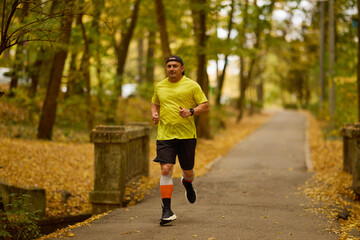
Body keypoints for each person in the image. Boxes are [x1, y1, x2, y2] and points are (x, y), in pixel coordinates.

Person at [151, 55, 210, 225]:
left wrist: (191, 111)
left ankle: (187, 183)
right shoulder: (160, 86)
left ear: (182, 68)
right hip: (165, 135)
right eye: (169, 66)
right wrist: (154, 114)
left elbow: (205, 106)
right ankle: (166, 210)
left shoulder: (192, 85)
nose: (171, 68)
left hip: (186, 135)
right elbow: (154, 103)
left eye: (175, 65)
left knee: (188, 170)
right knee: (166, 170)